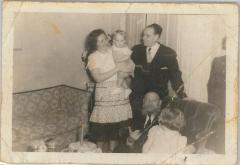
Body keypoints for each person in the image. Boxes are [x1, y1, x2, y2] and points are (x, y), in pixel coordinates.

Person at [130, 23, 187, 130]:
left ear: (156, 37)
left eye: (147, 36)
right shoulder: (136, 50)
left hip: (157, 97)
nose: (143, 38)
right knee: (137, 125)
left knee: (155, 126)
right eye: (143, 35)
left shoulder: (168, 53)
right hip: (138, 96)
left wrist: (181, 93)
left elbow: (175, 75)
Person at [85, 29, 132, 152]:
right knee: (102, 135)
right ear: (94, 44)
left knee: (116, 134)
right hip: (105, 96)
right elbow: (98, 78)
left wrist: (124, 73)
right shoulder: (92, 57)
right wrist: (117, 68)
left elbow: (127, 67)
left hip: (119, 93)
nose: (104, 43)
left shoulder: (115, 50)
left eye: (105, 39)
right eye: (100, 41)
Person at [111, 30, 135, 98]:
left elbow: (127, 57)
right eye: (117, 40)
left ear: (124, 41)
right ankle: (127, 89)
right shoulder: (113, 47)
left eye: (121, 41)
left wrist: (119, 60)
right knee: (121, 77)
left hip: (125, 64)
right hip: (118, 64)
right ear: (114, 40)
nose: (119, 43)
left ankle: (118, 87)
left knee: (120, 75)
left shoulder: (125, 48)